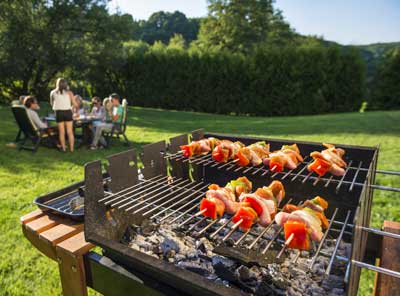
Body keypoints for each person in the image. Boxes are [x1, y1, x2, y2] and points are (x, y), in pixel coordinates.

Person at [50, 78, 77, 152]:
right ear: (66, 84)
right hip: (68, 112)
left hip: (58, 112)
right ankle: (71, 149)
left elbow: (52, 104)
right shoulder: (69, 93)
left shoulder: (52, 92)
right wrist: (73, 107)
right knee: (70, 131)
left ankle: (64, 148)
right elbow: (75, 104)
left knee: (61, 132)